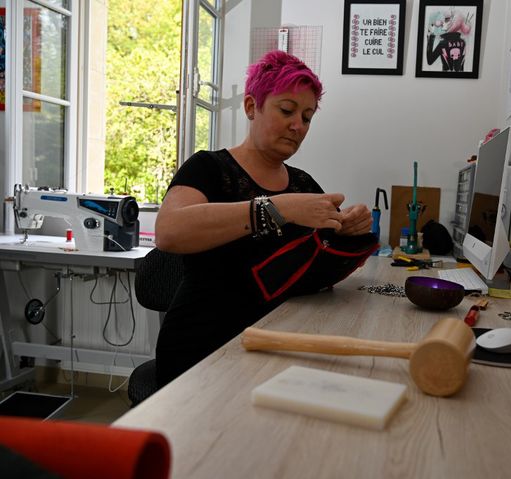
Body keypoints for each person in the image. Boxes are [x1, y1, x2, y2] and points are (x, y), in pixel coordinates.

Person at [153, 50, 372, 386]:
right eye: (286, 110)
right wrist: (276, 209)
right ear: (251, 107)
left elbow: (320, 257)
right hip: (203, 347)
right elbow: (169, 231)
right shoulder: (209, 168)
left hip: (281, 342)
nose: (298, 125)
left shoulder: (303, 184)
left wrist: (349, 229)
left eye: (307, 116)